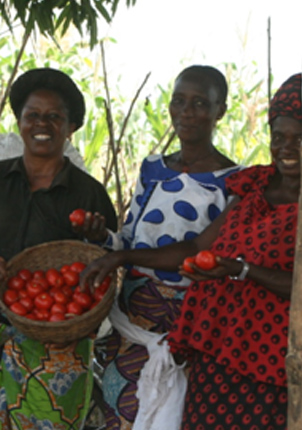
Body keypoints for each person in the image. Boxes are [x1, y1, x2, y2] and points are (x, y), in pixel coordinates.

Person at [83, 73, 302, 429]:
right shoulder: (255, 186)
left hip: (275, 358)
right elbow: (197, 247)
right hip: (218, 343)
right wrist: (122, 257)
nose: (286, 148)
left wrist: (239, 269)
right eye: (278, 137)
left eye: (301, 139)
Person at [0, 67, 119, 430]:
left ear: (71, 127)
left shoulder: (89, 193)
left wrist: (99, 239)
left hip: (56, 357)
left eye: (54, 117)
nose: (42, 124)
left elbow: (108, 265)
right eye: (32, 115)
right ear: (19, 121)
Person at [83, 65, 241, 430]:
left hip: (190, 327)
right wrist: (101, 238)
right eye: (179, 101)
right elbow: (129, 238)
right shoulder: (153, 168)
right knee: (120, 414)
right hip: (133, 323)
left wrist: (120, 255)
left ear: (221, 111)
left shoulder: (235, 182)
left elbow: (196, 251)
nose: (187, 112)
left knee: (178, 416)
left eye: (200, 103)